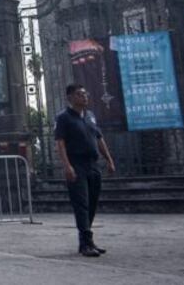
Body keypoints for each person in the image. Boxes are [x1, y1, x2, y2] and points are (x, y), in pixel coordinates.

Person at [54, 83, 116, 257]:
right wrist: (67, 166)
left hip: (92, 165)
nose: (84, 96)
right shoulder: (63, 118)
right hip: (76, 164)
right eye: (80, 94)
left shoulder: (90, 116)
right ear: (70, 97)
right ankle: (86, 242)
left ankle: (87, 241)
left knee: (92, 203)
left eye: (85, 93)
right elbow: (60, 143)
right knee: (81, 204)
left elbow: (99, 139)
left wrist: (109, 160)